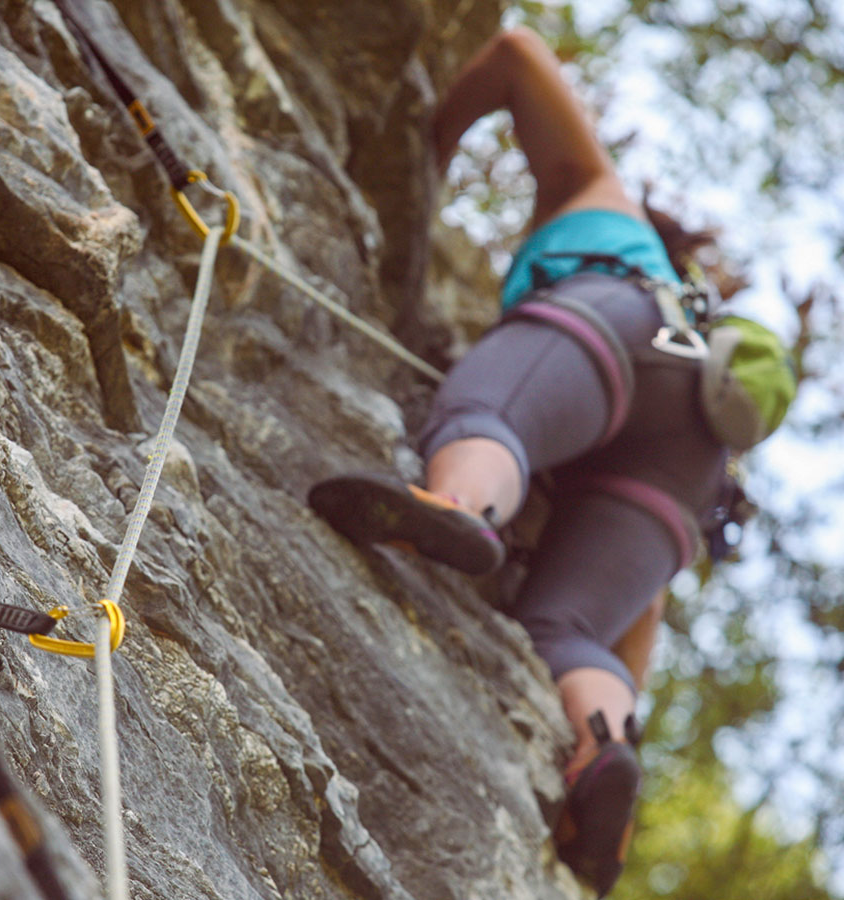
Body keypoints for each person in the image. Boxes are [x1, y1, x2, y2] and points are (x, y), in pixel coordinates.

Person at [308, 26, 775, 897]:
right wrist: (618, 721)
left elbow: (516, 51)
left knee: (492, 416)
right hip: (694, 473)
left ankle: (460, 509)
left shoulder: (601, 203)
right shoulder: (708, 352)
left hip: (620, 331)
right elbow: (635, 616)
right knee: (566, 629)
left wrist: (429, 151)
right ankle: (602, 750)